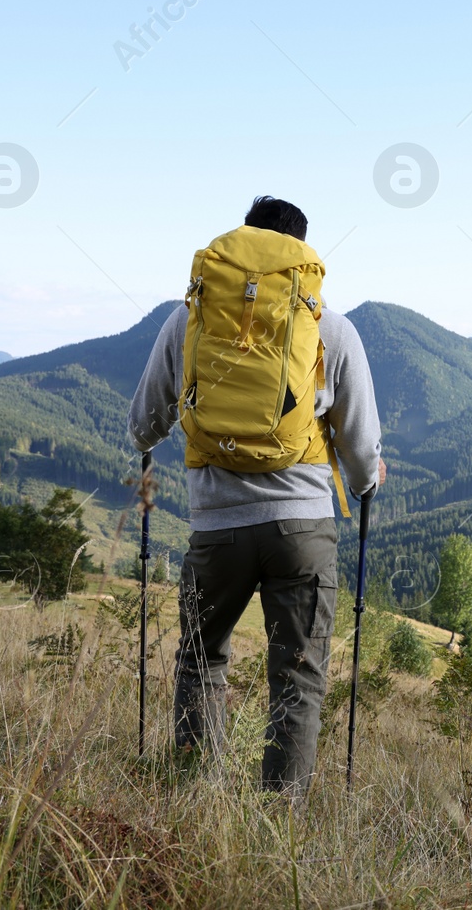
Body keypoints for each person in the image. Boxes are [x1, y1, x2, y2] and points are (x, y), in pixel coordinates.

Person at [129, 196, 384, 795]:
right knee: (296, 681)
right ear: (301, 252)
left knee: (200, 660)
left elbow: (143, 424)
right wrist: (367, 482)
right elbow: (360, 445)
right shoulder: (330, 327)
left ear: (243, 241)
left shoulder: (188, 318)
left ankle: (197, 801)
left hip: (216, 527)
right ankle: (278, 834)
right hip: (303, 531)